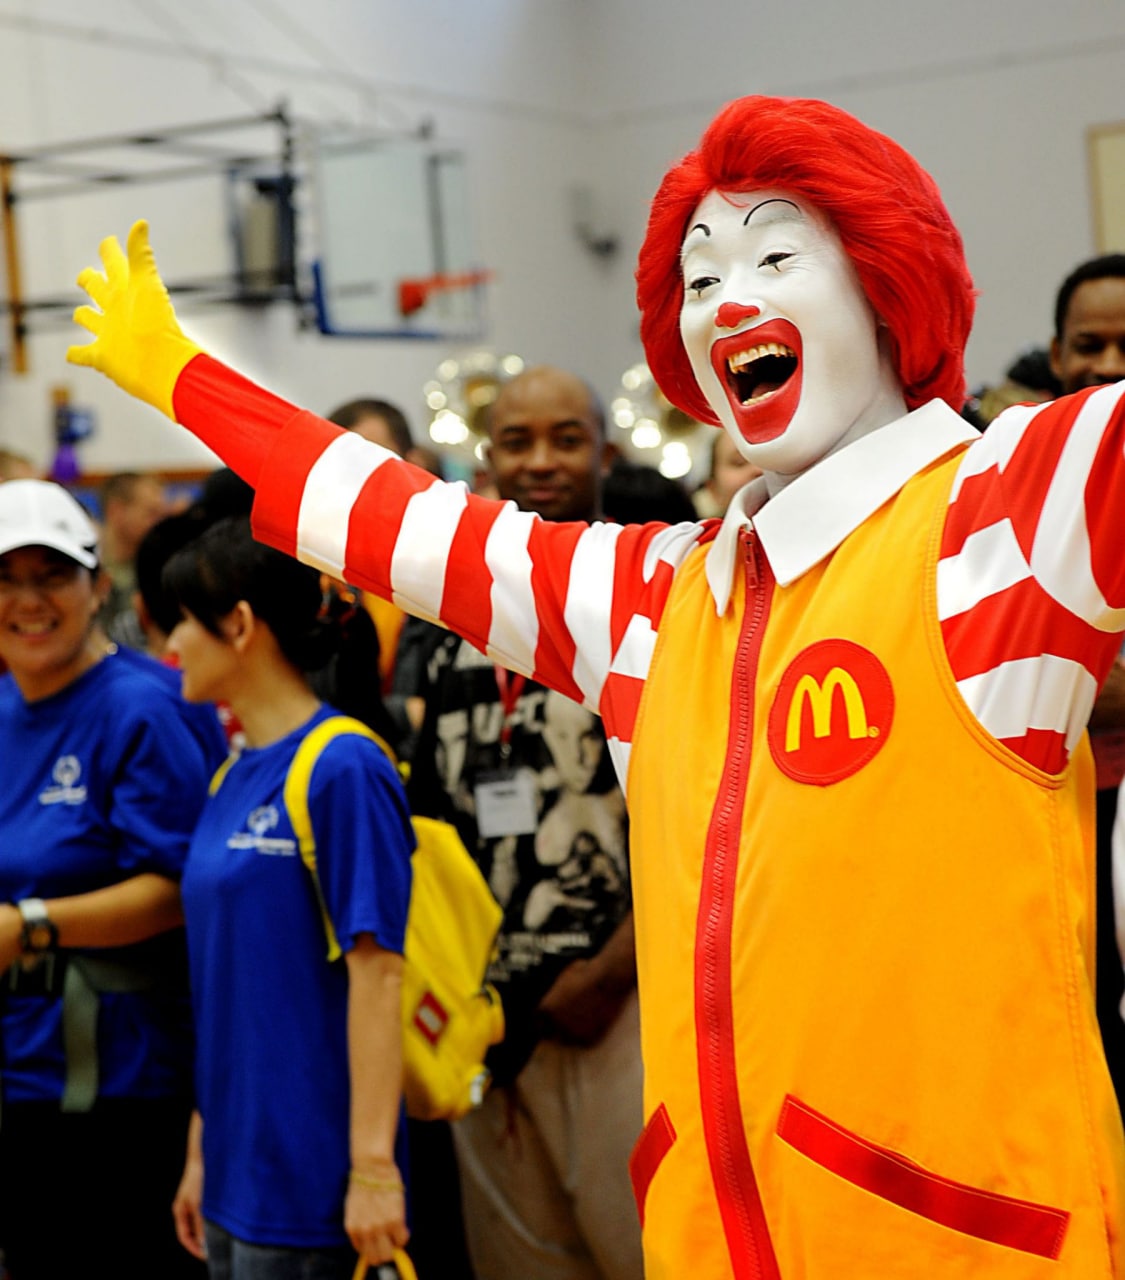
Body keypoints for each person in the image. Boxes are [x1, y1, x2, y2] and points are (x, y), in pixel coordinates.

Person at [69, 93, 1125, 1277]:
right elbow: (413, 527)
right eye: (702, 278)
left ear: (886, 279)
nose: (730, 297)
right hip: (706, 1242)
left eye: (777, 254)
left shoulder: (1008, 514)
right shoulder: (656, 600)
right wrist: (190, 381)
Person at [403, 365, 643, 1280]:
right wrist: (463, 997)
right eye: (516, 442)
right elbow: (437, 821)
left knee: (648, 1254)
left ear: (603, 454)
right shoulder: (451, 617)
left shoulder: (651, 603)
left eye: (564, 440)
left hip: (621, 1002)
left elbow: (701, 817)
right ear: (487, 457)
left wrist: (608, 972)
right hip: (495, 1022)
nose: (540, 462)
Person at [164, 516, 415, 1279]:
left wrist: (373, 1169)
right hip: (233, 1181)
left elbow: (379, 974)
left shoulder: (342, 768)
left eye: (182, 620)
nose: (170, 645)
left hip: (318, 1188)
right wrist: (201, 1152)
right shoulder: (230, 773)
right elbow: (226, 986)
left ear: (239, 625)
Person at [0, 477, 209, 1280]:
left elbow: (181, 885)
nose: (28, 601)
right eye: (7, 579)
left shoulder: (142, 707)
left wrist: (30, 924)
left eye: (50, 575)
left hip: (124, 1085)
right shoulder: (6, 706)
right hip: (23, 1077)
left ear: (96, 586)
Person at [1049, 254, 1125, 1120]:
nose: (1104, 365)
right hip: (1058, 816)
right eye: (1086, 344)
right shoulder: (1009, 490)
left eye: (1123, 344)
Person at [97, 468, 169, 647]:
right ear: (117, 512)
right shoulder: (83, 570)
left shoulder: (162, 567)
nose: (161, 523)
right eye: (151, 513)